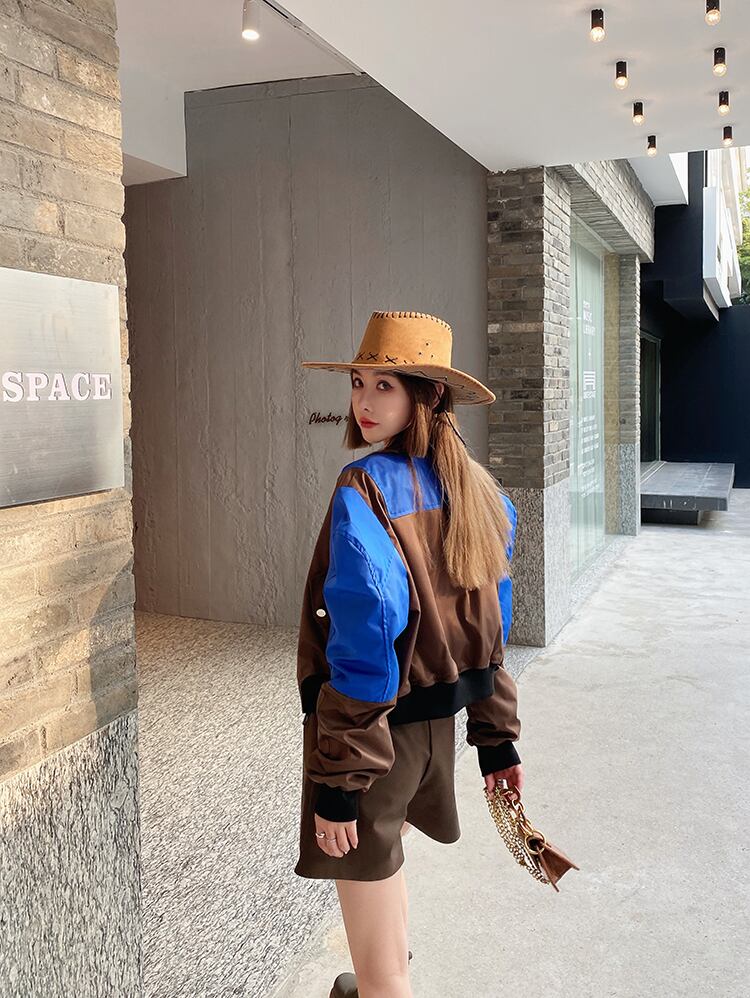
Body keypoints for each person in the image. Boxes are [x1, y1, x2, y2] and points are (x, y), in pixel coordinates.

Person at [294, 311, 523, 998]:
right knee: (386, 869)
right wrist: (497, 742)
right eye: (358, 383)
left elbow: (365, 641)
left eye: (384, 385)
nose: (363, 402)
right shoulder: (476, 489)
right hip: (432, 735)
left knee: (384, 972)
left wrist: (339, 781)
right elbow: (490, 632)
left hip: (373, 736)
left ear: (428, 395)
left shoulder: (363, 488)